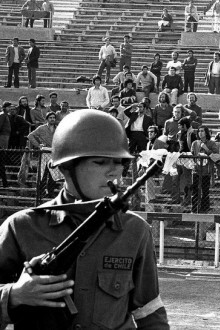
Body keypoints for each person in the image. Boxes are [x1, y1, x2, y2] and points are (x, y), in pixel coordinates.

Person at [0, 110, 169, 329]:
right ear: (66, 167)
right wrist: (14, 295)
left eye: (119, 163)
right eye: (100, 162)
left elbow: (150, 313)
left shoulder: (135, 230)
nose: (114, 173)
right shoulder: (21, 226)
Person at [26, 111, 57, 197]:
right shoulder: (41, 128)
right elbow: (30, 136)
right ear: (47, 119)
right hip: (44, 153)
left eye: (53, 118)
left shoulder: (58, 128)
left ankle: (50, 192)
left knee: (53, 175)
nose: (52, 119)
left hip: (54, 153)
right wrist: (38, 145)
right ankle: (40, 192)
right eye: (50, 118)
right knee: (43, 173)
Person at [191, 125, 218, 213]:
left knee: (205, 191)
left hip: (206, 171)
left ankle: (205, 208)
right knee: (195, 191)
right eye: (199, 131)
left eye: (202, 131)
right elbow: (192, 155)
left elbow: (215, 155)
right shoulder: (195, 143)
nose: (200, 133)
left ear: (206, 132)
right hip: (196, 170)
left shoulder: (211, 143)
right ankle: (194, 209)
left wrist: (206, 149)